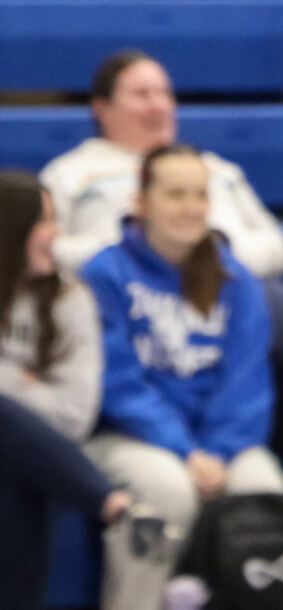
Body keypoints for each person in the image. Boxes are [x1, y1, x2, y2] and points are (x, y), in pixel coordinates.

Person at [41, 48, 283, 480]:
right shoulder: (71, 172)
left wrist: (213, 253)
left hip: (225, 279)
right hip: (122, 283)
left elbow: (276, 245)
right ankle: (170, 445)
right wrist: (130, 254)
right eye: (141, 94)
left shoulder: (215, 168)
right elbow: (46, 245)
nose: (158, 105)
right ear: (101, 108)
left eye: (164, 93)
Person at [80, 143, 283, 610]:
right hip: (127, 437)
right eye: (175, 194)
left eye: (200, 194)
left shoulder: (236, 278)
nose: (191, 207)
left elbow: (247, 383)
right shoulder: (105, 273)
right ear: (141, 201)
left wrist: (216, 450)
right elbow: (117, 384)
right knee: (167, 491)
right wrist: (185, 450)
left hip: (217, 443)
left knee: (262, 488)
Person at [0, 169, 145, 610]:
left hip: (36, 454)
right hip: (45, 455)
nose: (56, 234)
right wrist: (22, 380)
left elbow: (74, 416)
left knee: (16, 469)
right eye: (42, 221)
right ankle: (107, 501)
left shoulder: (70, 299)